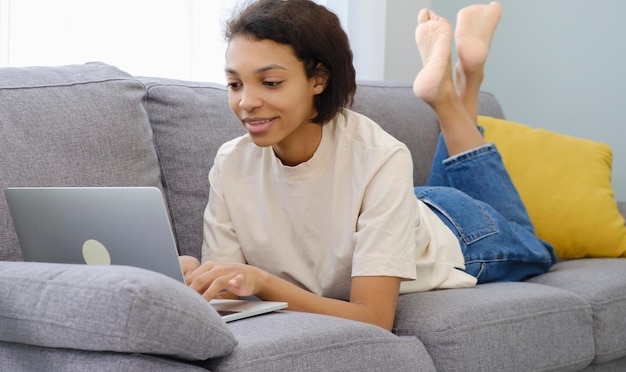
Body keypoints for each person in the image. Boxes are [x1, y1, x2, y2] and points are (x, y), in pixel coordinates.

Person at [179, 0, 557, 332]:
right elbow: (231, 290)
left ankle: (458, 89)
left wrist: (262, 281)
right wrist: (193, 276)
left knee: (538, 249)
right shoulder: (230, 163)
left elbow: (374, 318)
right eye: (234, 84)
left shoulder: (379, 156)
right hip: (400, 208)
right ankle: (460, 84)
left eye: (271, 82)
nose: (246, 102)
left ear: (319, 79)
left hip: (458, 231)